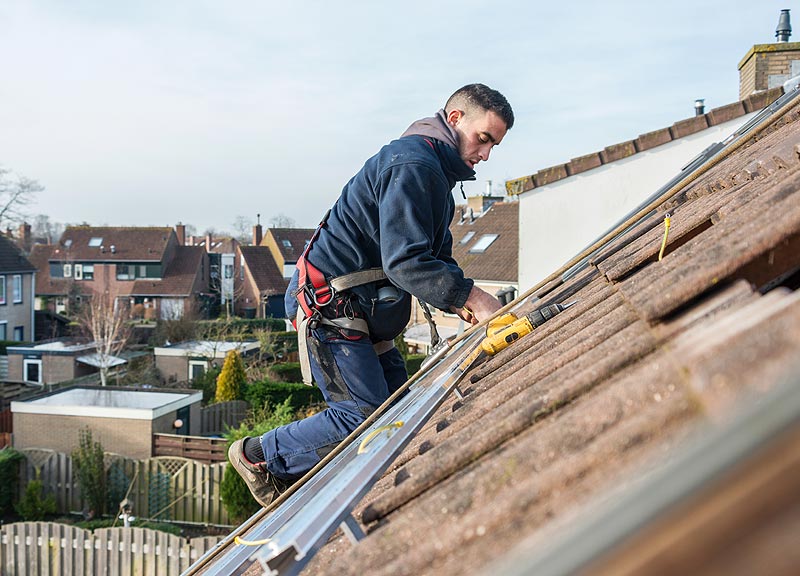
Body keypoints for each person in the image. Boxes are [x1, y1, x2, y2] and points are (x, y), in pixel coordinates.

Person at [229, 83, 514, 506]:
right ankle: (259, 457)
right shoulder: (413, 166)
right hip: (331, 307)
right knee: (366, 419)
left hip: (365, 309)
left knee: (401, 415)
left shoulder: (434, 176)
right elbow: (405, 262)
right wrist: (471, 298)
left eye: (495, 145)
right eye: (484, 138)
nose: (486, 154)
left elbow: (435, 259)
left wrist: (459, 300)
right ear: (455, 119)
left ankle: (345, 486)